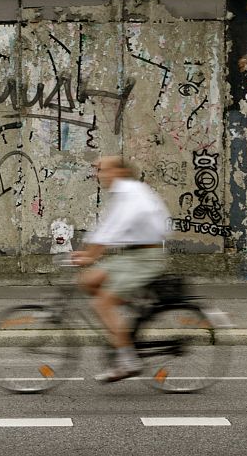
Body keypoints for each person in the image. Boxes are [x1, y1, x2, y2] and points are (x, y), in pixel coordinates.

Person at [72, 155, 170, 383]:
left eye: (102, 170)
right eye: (97, 170)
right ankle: (124, 323)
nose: (98, 174)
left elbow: (116, 228)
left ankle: (128, 360)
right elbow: (105, 227)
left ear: (119, 172)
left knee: (101, 303)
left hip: (145, 257)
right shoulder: (122, 193)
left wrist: (92, 254)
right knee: (87, 280)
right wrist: (87, 252)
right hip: (131, 255)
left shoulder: (131, 192)